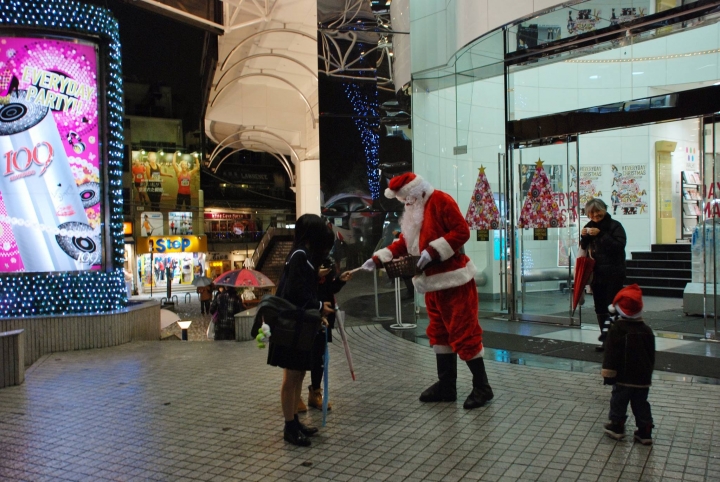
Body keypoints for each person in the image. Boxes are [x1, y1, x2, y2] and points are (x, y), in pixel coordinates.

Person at [361, 172, 493, 410]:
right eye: (403, 201)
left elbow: (462, 231)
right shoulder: (414, 211)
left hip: (455, 282)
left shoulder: (442, 201)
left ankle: (482, 387)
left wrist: (432, 252)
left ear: (417, 192)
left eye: (407, 199)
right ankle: (447, 386)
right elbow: (405, 243)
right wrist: (379, 258)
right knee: (439, 334)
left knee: (464, 333)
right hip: (430, 284)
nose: (406, 204)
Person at [269, 213, 334, 447]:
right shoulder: (299, 255)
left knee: (298, 375)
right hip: (291, 326)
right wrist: (318, 306)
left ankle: (295, 422)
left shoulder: (303, 254)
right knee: (292, 377)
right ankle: (289, 426)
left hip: (298, 325)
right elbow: (296, 292)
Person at [601, 284, 655, 445]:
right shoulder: (647, 330)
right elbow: (651, 354)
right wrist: (648, 373)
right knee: (641, 403)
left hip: (623, 376)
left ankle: (616, 426)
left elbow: (611, 353)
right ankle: (645, 431)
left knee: (619, 400)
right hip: (642, 378)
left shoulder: (617, 329)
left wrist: (608, 373)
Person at [299, 254, 353, 412]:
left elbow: (330, 288)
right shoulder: (303, 257)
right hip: (306, 315)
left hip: (325, 317)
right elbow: (298, 286)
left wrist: (340, 280)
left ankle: (315, 392)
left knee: (320, 357)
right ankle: (295, 396)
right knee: (301, 357)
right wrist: (315, 275)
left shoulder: (327, 259)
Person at [579, 198, 626, 351]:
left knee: (612, 307)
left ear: (604, 210)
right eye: (591, 213)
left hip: (614, 274)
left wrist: (601, 235)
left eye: (598, 211)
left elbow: (619, 246)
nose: (595, 215)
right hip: (596, 275)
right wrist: (584, 237)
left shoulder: (615, 226)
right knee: (599, 308)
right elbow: (584, 248)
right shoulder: (588, 226)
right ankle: (606, 341)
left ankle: (616, 341)